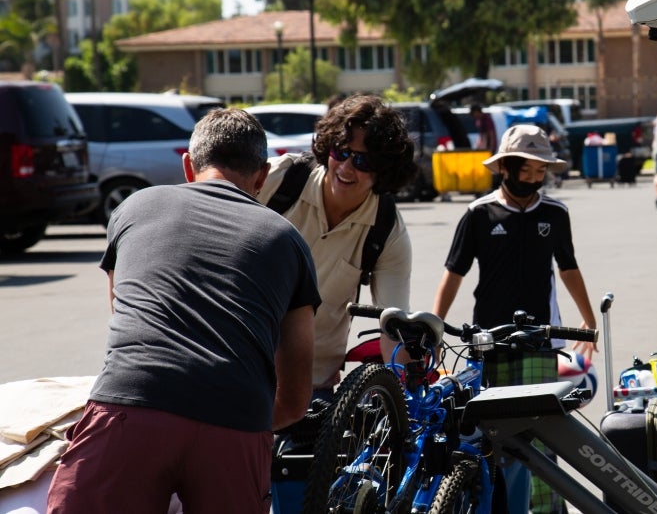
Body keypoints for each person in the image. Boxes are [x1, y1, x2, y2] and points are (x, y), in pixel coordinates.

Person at [47, 109, 320, 514]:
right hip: (236, 420)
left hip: (131, 404)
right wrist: (243, 422)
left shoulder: (134, 208)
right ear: (261, 177)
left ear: (188, 166)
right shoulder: (287, 239)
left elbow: (122, 318)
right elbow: (297, 399)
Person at [432, 123, 597, 514]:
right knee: (494, 437)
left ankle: (547, 510)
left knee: (541, 433)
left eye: (543, 172)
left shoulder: (555, 213)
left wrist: (587, 321)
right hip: (488, 345)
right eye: (529, 171)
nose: (537, 180)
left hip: (540, 340)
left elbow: (569, 268)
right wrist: (434, 327)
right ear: (505, 167)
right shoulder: (478, 215)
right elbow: (453, 274)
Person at [258, 93, 418, 392]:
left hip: (311, 384)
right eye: (341, 152)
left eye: (362, 161)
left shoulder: (386, 230)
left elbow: (392, 325)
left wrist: (408, 394)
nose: (346, 168)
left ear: (383, 171)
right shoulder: (278, 180)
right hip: (240, 367)